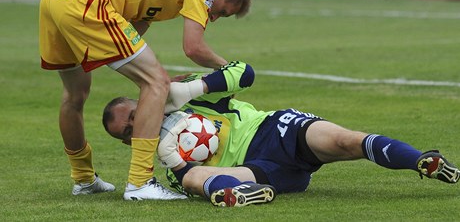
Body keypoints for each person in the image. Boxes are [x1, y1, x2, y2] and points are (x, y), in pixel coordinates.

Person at [39, 0, 252, 201]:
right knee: (156, 82)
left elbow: (133, 32)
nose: (214, 19)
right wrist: (228, 68)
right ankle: (140, 183)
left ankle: (83, 179)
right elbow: (193, 48)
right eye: (222, 13)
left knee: (75, 96)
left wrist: (150, 81)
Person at [102, 61, 460, 207]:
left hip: (274, 130)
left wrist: (191, 89)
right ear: (127, 143)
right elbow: (184, 183)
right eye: (129, 131)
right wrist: (176, 165)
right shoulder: (164, 163)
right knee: (194, 179)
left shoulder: (186, 97)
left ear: (141, 100)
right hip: (257, 171)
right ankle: (242, 195)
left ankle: (422, 161)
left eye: (133, 114)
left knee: (345, 141)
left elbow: (245, 73)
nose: (138, 125)